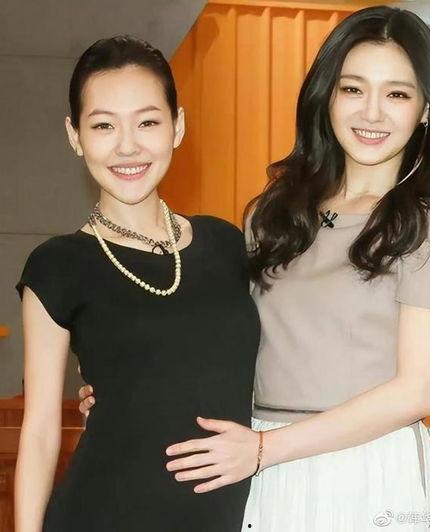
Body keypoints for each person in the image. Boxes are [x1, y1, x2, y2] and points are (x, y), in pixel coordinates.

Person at [81, 6, 430, 531]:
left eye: (397, 94)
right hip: (256, 463)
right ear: (327, 97)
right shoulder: (275, 213)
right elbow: (224, 342)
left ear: (426, 109)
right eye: (352, 89)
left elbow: (418, 391)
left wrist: (265, 449)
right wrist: (131, 390)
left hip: (362, 469)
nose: (371, 113)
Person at [14, 35, 260, 532]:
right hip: (103, 513)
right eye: (103, 125)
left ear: (178, 126)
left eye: (147, 122)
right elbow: (39, 431)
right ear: (74, 136)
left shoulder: (227, 244)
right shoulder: (58, 266)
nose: (127, 146)